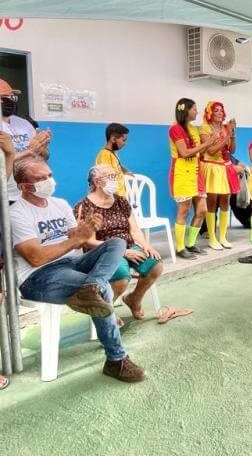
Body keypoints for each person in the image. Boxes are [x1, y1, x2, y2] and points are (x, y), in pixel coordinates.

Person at [10, 154, 146, 382]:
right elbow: (35, 257)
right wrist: (75, 240)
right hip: (38, 277)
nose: (48, 181)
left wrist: (85, 230)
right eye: (40, 178)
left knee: (117, 243)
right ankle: (116, 361)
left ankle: (92, 285)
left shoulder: (60, 204)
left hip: (71, 263)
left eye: (49, 175)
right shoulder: (17, 213)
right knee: (103, 292)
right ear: (24, 186)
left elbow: (78, 238)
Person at [74, 164, 163, 321]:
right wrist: (122, 252)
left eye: (114, 176)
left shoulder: (121, 201)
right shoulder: (85, 206)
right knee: (121, 278)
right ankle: (106, 310)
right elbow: (89, 242)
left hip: (127, 244)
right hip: (103, 250)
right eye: (109, 177)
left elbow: (134, 230)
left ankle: (134, 299)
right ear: (96, 182)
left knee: (155, 265)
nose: (114, 180)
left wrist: (146, 245)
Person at [168, 98, 214, 260]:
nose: (197, 112)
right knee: (184, 210)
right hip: (182, 173)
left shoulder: (194, 129)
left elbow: (199, 152)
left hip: (196, 172)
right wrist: (207, 143)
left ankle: (190, 243)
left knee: (201, 210)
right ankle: (180, 247)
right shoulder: (175, 129)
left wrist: (217, 139)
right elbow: (185, 152)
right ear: (185, 110)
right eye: (194, 109)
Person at [1, 78, 52, 203]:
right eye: (4, 98)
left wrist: (42, 147)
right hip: (6, 195)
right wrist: (29, 150)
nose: (10, 101)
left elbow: (44, 156)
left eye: (12, 97)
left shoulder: (24, 124)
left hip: (30, 191)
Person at [199, 101, 239, 250]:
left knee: (225, 201)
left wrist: (232, 134)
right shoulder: (204, 128)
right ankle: (212, 237)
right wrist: (227, 135)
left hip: (224, 167)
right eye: (216, 110)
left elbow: (232, 150)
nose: (220, 113)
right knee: (212, 201)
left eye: (221, 110)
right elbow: (211, 151)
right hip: (210, 166)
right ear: (209, 113)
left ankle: (222, 236)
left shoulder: (225, 128)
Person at [95, 123, 131, 197]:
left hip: (120, 199)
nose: (125, 143)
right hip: (113, 200)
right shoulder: (105, 155)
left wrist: (124, 170)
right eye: (123, 140)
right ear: (113, 139)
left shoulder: (112, 154)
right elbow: (107, 180)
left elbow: (115, 167)